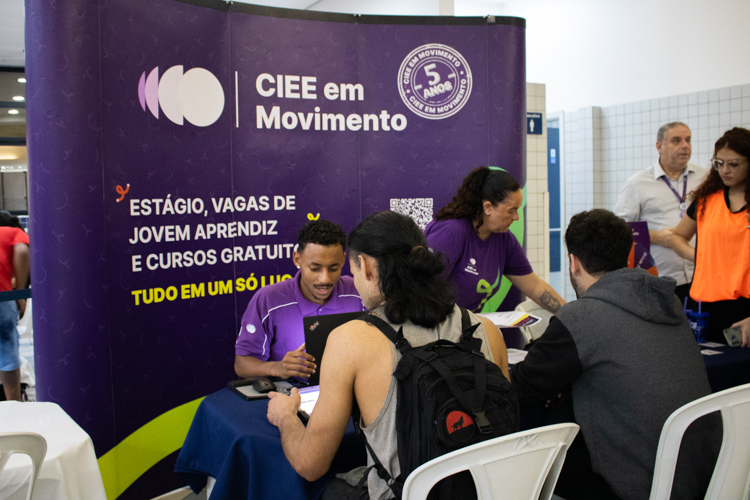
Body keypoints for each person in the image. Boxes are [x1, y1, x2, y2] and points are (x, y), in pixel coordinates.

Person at [266, 211, 510, 499]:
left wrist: (284, 417)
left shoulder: (351, 340)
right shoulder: (487, 330)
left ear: (366, 266)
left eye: (353, 272)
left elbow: (310, 464)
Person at [511, 209, 720, 500]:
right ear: (627, 254)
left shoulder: (582, 317)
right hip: (703, 473)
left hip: (638, 482)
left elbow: (523, 387)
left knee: (531, 465)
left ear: (573, 262)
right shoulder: (666, 302)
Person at [234, 219, 364, 380]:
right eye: (315, 268)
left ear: (344, 259)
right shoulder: (268, 299)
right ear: (297, 259)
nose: (324, 279)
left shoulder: (359, 291)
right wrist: (277, 367)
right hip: (292, 398)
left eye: (334, 268)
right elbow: (242, 364)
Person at [424, 166, 565, 313]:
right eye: (511, 210)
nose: (516, 217)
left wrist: (572, 319)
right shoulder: (451, 232)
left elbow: (534, 286)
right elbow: (419, 290)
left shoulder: (504, 239)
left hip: (466, 327)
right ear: (488, 207)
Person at [614, 122, 709, 303]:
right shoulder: (637, 183)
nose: (685, 146)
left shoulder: (706, 177)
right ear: (659, 146)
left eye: (688, 140)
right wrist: (655, 237)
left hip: (701, 275)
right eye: (676, 141)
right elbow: (618, 230)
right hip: (659, 280)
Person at [672, 127, 750, 346]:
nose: (725, 170)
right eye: (719, 163)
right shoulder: (707, 200)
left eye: (734, 164)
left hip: (745, 307)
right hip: (706, 306)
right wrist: (699, 256)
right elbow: (677, 236)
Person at [0, 211, 30, 402]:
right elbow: (21, 251)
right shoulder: (10, 232)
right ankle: (15, 406)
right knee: (8, 351)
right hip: (2, 299)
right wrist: (19, 292)